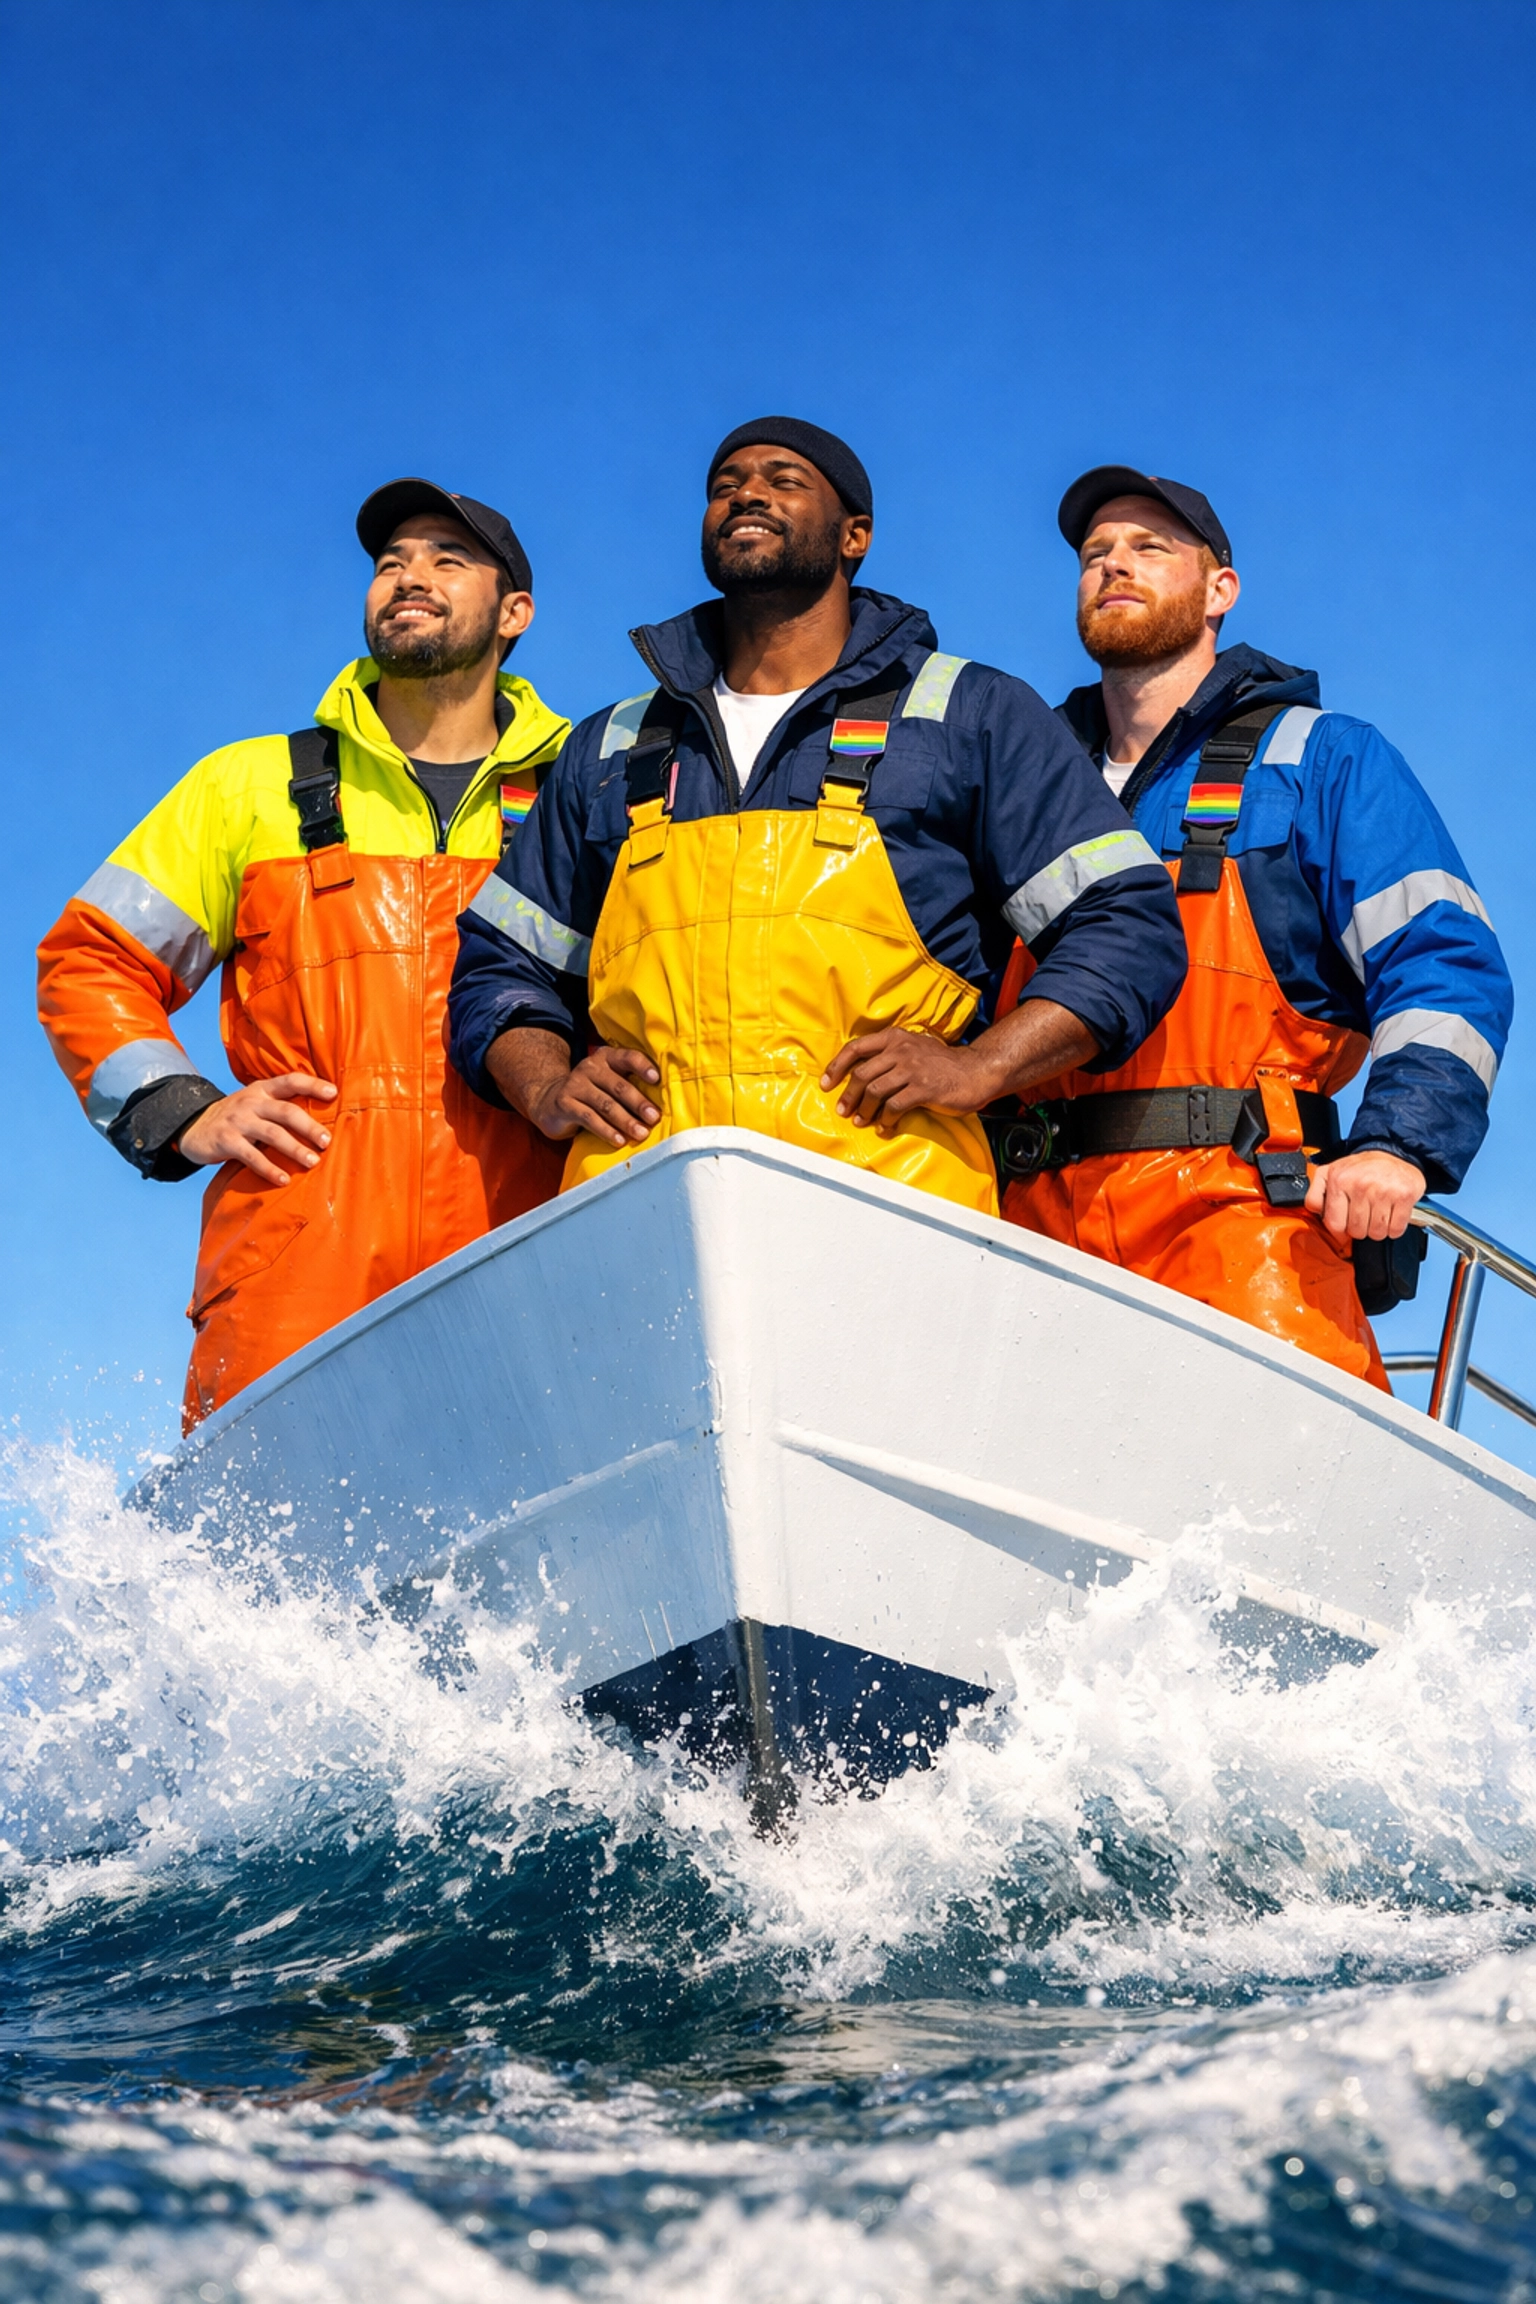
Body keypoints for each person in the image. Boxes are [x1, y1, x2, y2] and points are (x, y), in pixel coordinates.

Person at [447, 418, 1186, 1217]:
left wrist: (982, 1067)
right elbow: (501, 965)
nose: (747, 494)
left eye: (783, 479)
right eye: (725, 486)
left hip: (895, 1208)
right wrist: (546, 1083)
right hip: (646, 1208)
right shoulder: (613, 746)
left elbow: (1127, 921)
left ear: (854, 535)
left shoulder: (969, 715)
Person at [38, 480, 570, 1427]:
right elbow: (92, 957)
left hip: (526, 1235)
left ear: (514, 613)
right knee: (255, 1563)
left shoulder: (585, 790)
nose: (409, 577)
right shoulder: (249, 785)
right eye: (389, 562)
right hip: (295, 1253)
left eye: (449, 559)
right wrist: (178, 1110)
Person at [997, 464, 1512, 1386]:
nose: (1115, 565)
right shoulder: (1020, 783)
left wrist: (1399, 1144)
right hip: (1025, 1227)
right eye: (1094, 554)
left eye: (1150, 548)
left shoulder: (1321, 758)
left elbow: (1441, 960)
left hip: (1246, 1219)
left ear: (1219, 591)